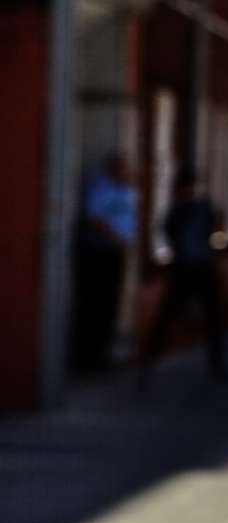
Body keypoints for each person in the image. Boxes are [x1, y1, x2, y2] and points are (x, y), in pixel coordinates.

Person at [139, 165, 228, 384]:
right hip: (194, 268)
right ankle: (151, 360)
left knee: (205, 317)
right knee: (202, 317)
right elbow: (217, 231)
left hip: (192, 268)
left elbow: (215, 231)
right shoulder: (191, 209)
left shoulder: (186, 209)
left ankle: (151, 360)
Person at [72, 152, 138, 373]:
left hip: (116, 252)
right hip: (99, 253)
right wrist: (117, 236)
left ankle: (103, 354)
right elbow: (94, 217)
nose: (126, 172)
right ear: (112, 168)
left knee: (110, 304)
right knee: (95, 304)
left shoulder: (125, 188)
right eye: (122, 168)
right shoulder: (101, 187)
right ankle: (87, 359)